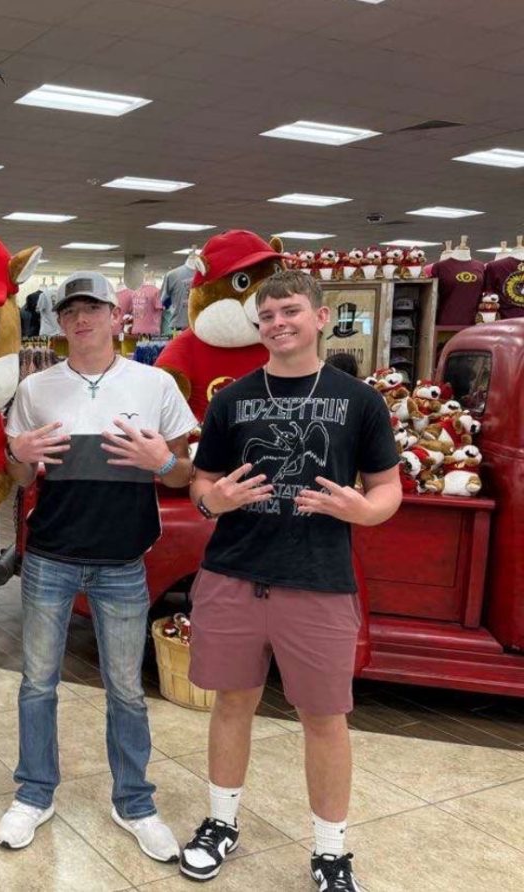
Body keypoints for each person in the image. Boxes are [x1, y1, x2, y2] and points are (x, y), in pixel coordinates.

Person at [179, 270, 401, 891]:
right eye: (267, 314)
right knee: (231, 704)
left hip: (319, 581)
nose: (278, 322)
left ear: (321, 317)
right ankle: (221, 823)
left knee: (325, 717)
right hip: (233, 575)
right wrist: (212, 500)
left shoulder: (360, 401)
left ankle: (330, 852)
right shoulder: (231, 399)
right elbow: (202, 483)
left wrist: (365, 510)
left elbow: (387, 489)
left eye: (290, 310)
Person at [0, 271, 197, 861]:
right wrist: (18, 455)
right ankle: (35, 792)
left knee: (128, 690)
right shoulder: (35, 390)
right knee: (36, 683)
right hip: (50, 559)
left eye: (92, 308)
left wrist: (162, 462)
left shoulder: (155, 383)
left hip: (122, 562)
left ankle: (134, 800)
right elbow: (15, 476)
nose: (80, 319)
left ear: (118, 317)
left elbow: (186, 472)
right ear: (58, 323)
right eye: (69, 311)